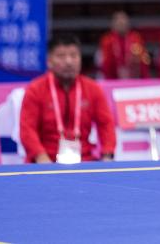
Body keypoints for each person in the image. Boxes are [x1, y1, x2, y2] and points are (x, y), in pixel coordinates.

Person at [20, 34, 116, 163]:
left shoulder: (93, 88)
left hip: (84, 161)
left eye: (74, 55)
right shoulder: (35, 89)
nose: (68, 62)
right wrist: (41, 158)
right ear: (49, 61)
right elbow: (27, 129)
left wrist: (107, 155)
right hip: (45, 161)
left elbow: (106, 124)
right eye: (61, 56)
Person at [96, 10, 150, 80]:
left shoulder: (136, 39)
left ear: (128, 23)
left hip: (133, 77)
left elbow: (145, 59)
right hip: (113, 78)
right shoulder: (107, 41)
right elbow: (103, 61)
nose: (121, 22)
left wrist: (135, 62)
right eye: (117, 20)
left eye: (123, 19)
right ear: (112, 24)